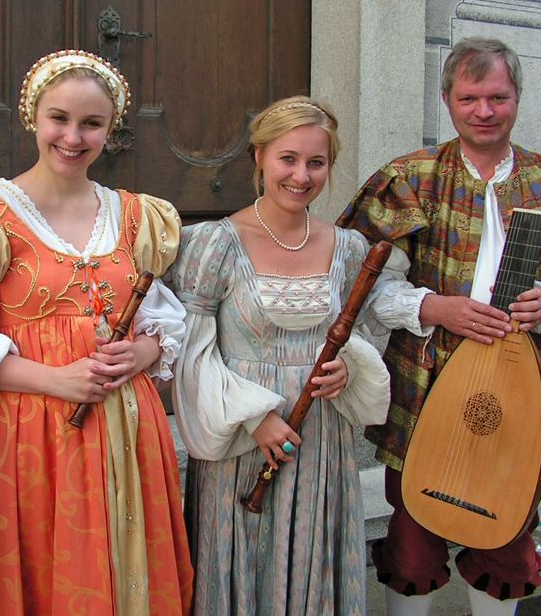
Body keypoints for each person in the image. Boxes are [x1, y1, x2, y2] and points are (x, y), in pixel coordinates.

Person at [338, 37, 541, 616]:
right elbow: (361, 293)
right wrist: (432, 308)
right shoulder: (409, 179)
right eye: (469, 98)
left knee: (507, 538)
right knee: (412, 536)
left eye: (498, 97)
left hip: (523, 387)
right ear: (446, 100)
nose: (484, 111)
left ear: (518, 98)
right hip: (426, 380)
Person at [0, 49, 193, 615]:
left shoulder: (137, 216)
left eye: (92, 123)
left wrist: (142, 351)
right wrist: (55, 379)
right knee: (41, 573)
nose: (73, 136)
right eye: (59, 118)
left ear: (111, 129)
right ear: (33, 117)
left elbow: (162, 316)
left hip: (128, 426)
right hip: (25, 435)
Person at [165, 96, 391, 616]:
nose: (301, 175)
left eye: (317, 162)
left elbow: (356, 335)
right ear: (260, 156)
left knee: (312, 552)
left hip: (321, 438)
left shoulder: (349, 248)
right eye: (288, 158)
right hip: (241, 441)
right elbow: (193, 354)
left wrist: (347, 368)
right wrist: (254, 417)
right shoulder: (214, 243)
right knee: (243, 557)